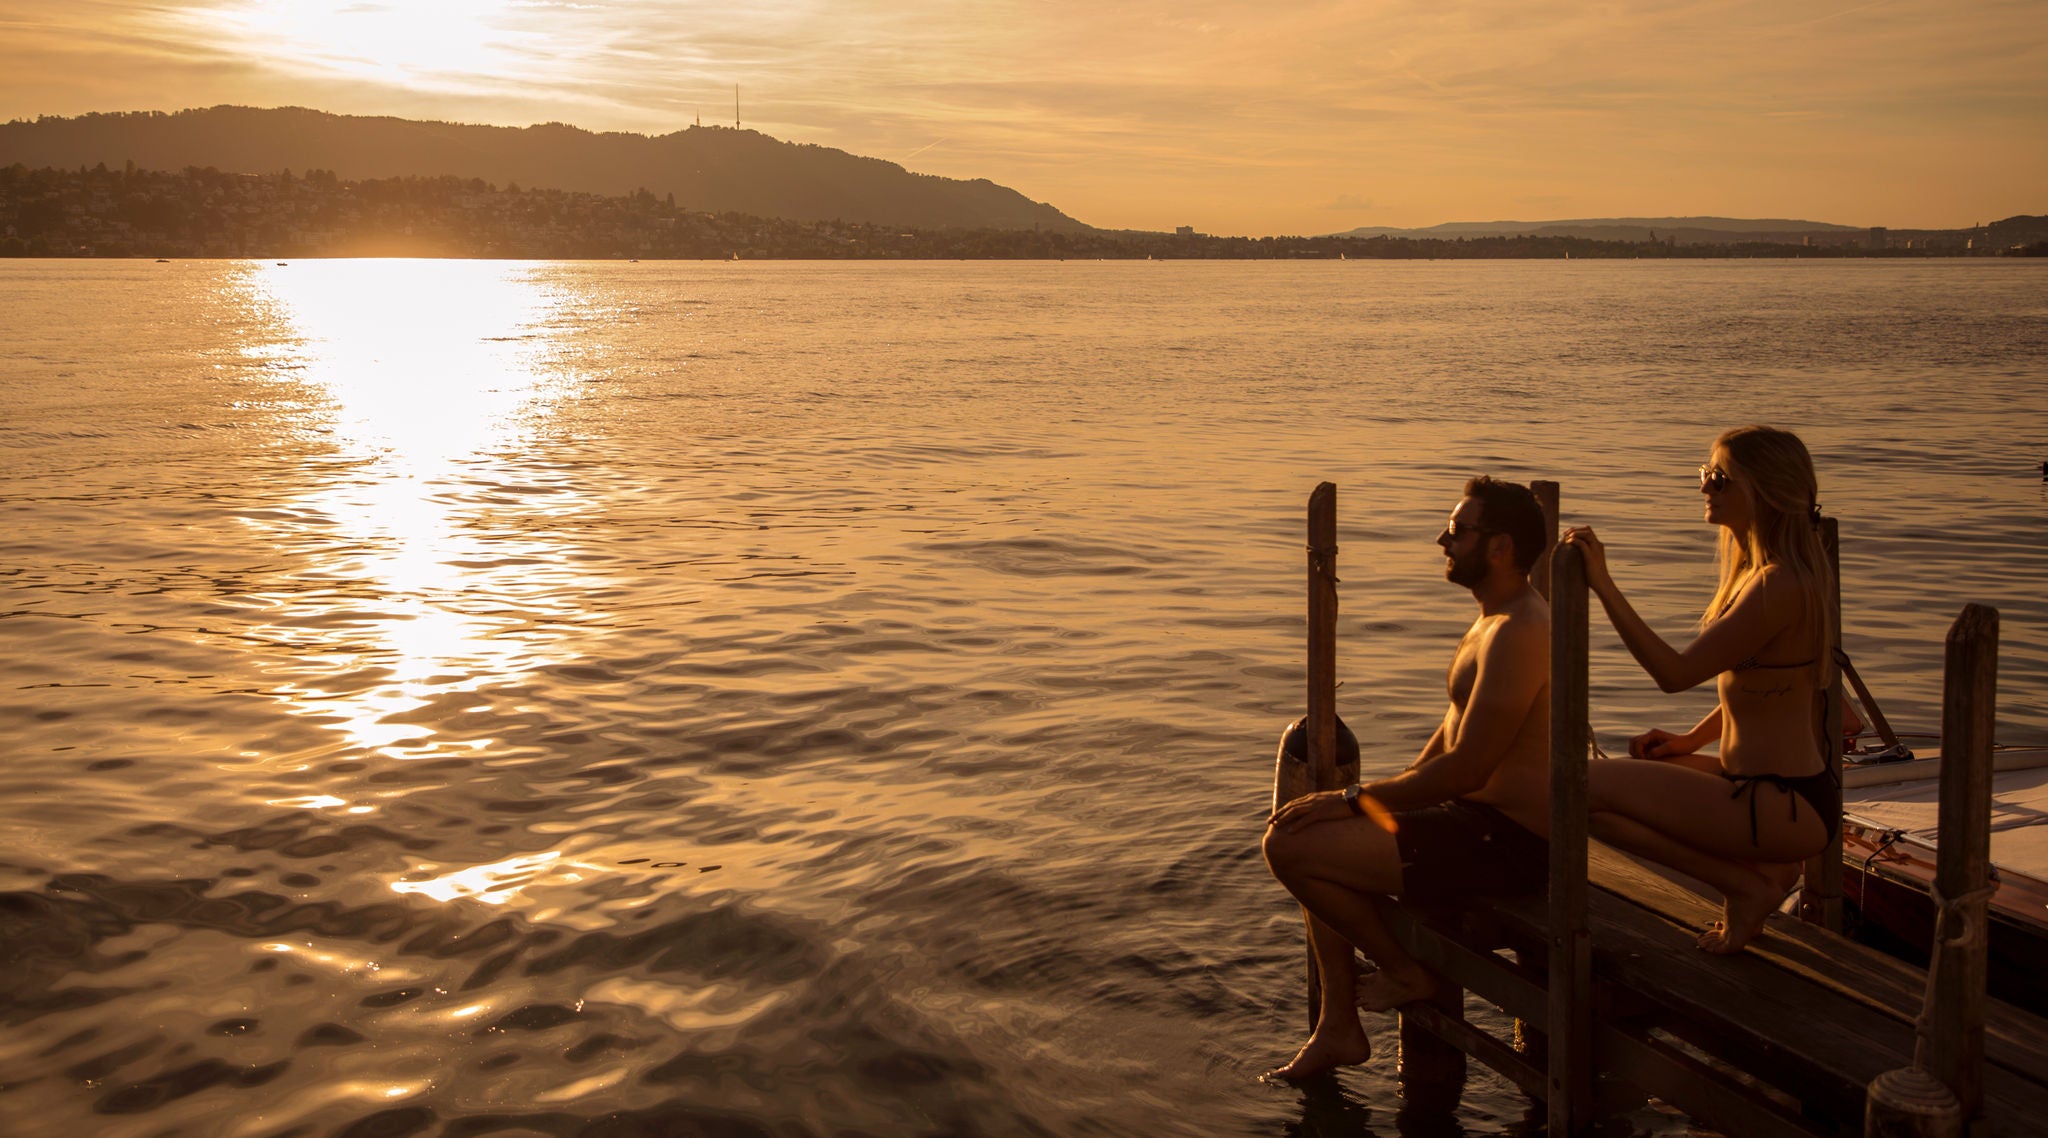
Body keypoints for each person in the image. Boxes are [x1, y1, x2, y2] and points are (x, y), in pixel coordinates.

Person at [1262, 476, 1551, 1081]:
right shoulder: (1490, 622)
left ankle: (1403, 973)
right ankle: (1339, 1026)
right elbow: (1437, 758)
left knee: (1291, 847)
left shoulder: (1521, 630)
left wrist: (1354, 797)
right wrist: (1344, 806)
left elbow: (1468, 767)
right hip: (1472, 826)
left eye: (1458, 529)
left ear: (1499, 546)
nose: (1442, 540)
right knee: (1309, 828)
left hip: (1508, 844)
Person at [1561, 425, 1836, 955]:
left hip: (1776, 801)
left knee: (1575, 787)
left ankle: (1744, 885)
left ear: (1765, 490)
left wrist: (1603, 583)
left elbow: (1675, 674)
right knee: (1616, 784)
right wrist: (1690, 742)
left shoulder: (1777, 584)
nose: (1705, 488)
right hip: (1773, 792)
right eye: (1703, 475)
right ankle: (1766, 870)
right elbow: (1770, 687)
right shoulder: (1774, 574)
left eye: (1718, 478)